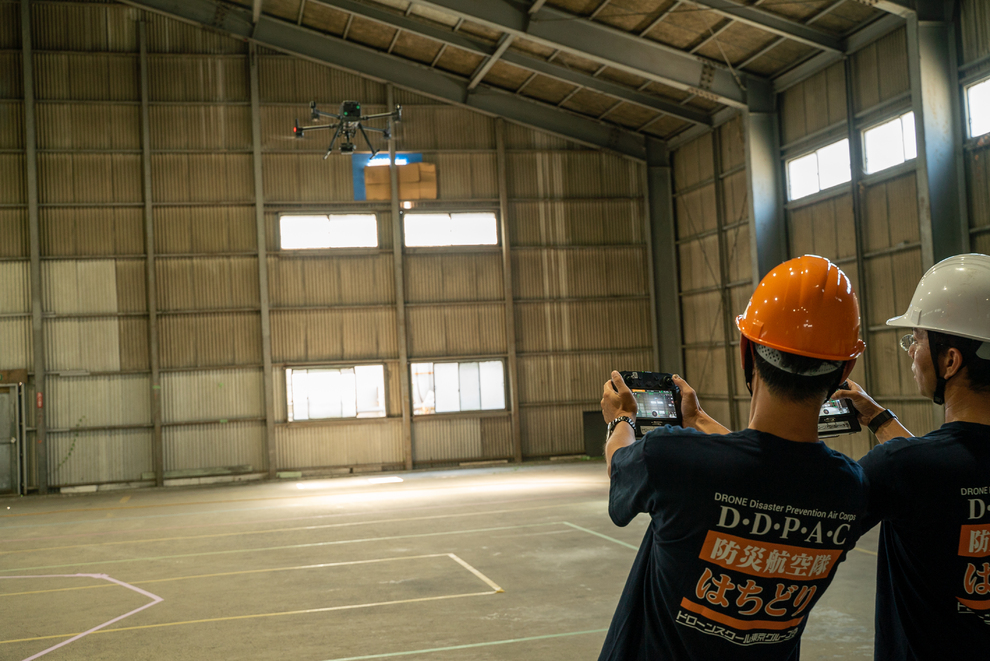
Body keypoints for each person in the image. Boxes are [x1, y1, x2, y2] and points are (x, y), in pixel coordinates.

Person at [598, 255, 870, 660]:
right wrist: (699, 419)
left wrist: (621, 418)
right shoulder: (851, 490)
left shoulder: (673, 458)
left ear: (749, 351)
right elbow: (772, 469)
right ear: (845, 367)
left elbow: (620, 465)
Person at [834, 253, 990, 659]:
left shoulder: (904, 467)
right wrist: (878, 417)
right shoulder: (917, 466)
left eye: (916, 339)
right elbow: (943, 468)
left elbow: (805, 518)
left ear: (950, 360)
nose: (911, 352)